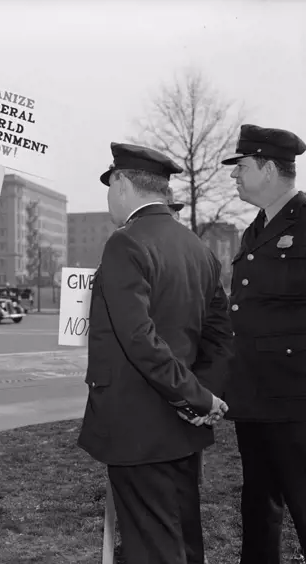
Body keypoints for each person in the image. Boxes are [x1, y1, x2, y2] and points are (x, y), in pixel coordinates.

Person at [77, 143, 234, 564]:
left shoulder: (125, 243)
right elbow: (219, 337)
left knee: (152, 547)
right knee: (182, 539)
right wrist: (201, 398)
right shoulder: (198, 248)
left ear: (122, 183)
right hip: (182, 426)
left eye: (110, 186)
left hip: (137, 426)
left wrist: (197, 399)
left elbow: (139, 339)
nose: (109, 196)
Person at [221, 124, 306, 564]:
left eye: (243, 166)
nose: (234, 175)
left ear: (270, 169)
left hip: (295, 398)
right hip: (255, 396)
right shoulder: (257, 227)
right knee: (258, 507)